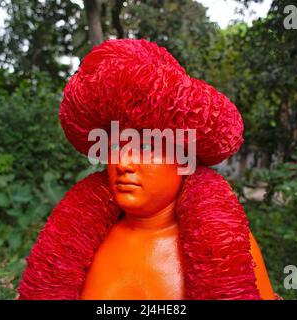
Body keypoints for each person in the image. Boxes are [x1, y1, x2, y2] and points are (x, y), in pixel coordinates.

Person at [18, 39, 276, 300]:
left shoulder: (228, 248)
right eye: (117, 145)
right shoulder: (77, 244)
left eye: (145, 147)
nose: (123, 163)